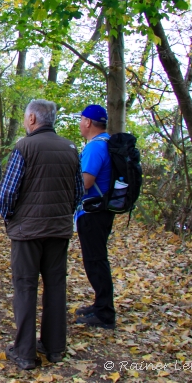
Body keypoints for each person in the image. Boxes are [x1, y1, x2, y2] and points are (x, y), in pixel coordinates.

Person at [0, 99, 84, 369]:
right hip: (58, 230)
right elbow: (78, 192)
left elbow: (8, 192)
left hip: (27, 231)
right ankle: (55, 347)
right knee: (56, 286)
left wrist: (9, 217)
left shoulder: (25, 147)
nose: (25, 121)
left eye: (25, 117)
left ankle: (25, 352)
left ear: (33, 119)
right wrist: (62, 216)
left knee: (25, 287)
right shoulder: (71, 148)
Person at [73, 104, 115, 329]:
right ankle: (100, 305)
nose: (80, 124)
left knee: (95, 261)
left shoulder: (95, 148)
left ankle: (105, 313)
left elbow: (86, 182)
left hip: (93, 212)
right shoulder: (106, 142)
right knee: (96, 259)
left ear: (88, 122)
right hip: (101, 210)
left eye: (81, 120)